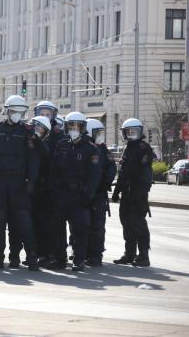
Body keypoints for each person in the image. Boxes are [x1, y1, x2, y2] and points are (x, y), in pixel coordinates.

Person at [0, 95, 39, 271]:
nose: (17, 115)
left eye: (21, 112)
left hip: (18, 182)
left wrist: (31, 181)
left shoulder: (26, 131)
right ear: (7, 111)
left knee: (22, 221)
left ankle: (27, 257)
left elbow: (33, 159)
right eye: (14, 111)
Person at [48, 112, 101, 272]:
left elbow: (95, 175)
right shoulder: (62, 144)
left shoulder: (90, 148)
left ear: (83, 128)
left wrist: (88, 195)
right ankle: (60, 259)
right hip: (61, 193)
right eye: (71, 126)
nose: (74, 129)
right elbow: (53, 169)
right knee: (57, 228)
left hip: (79, 195)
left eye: (77, 126)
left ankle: (79, 260)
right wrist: (52, 190)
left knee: (80, 229)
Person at [112, 118, 154, 267]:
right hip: (126, 194)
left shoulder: (144, 148)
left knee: (138, 224)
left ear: (140, 131)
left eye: (133, 131)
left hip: (137, 193)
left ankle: (143, 255)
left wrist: (141, 192)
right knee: (126, 223)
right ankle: (129, 254)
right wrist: (117, 191)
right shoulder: (127, 148)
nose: (130, 134)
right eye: (127, 132)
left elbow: (146, 175)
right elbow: (122, 173)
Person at [86, 119, 116, 267]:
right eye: (97, 133)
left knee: (97, 225)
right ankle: (82, 252)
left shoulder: (104, 149)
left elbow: (112, 169)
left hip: (98, 194)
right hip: (85, 193)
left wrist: (104, 184)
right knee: (82, 224)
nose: (100, 136)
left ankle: (96, 255)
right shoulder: (85, 147)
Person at [28, 115, 52, 266]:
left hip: (41, 190)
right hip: (27, 188)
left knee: (42, 224)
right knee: (28, 223)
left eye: (40, 129)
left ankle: (43, 254)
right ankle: (32, 253)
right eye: (35, 127)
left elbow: (45, 158)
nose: (37, 131)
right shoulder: (25, 143)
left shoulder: (42, 145)